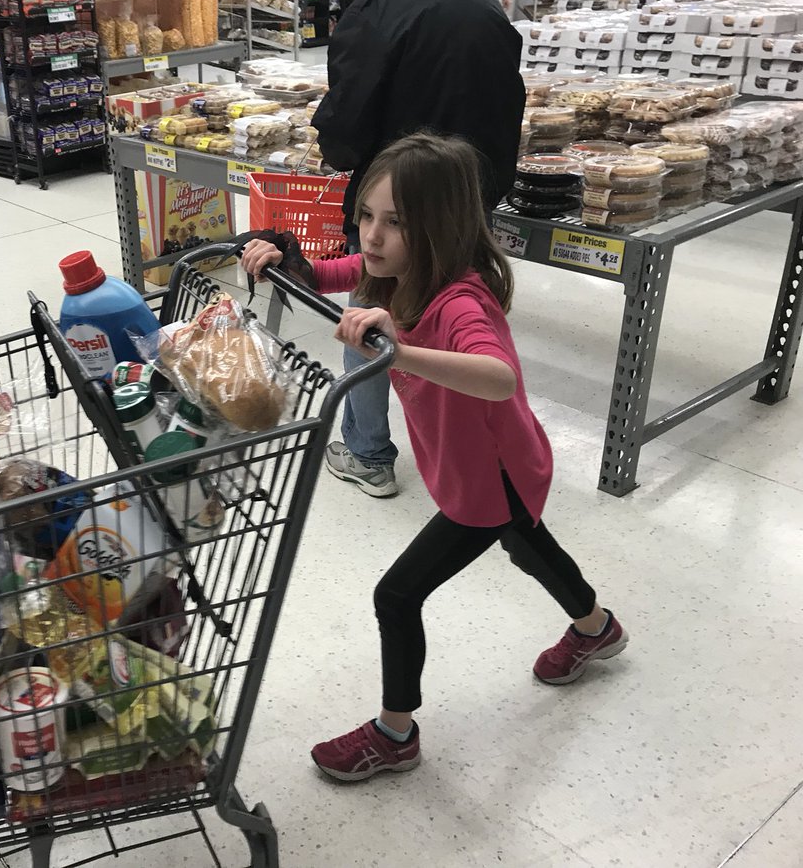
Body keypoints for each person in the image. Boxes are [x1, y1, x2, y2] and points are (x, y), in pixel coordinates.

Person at [240, 133, 628, 782]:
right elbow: (341, 273)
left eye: (395, 223)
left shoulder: (460, 302)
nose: (371, 235)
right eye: (366, 215)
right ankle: (597, 627)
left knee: (396, 594)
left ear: (440, 227)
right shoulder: (396, 274)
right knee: (528, 547)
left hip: (492, 478)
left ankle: (395, 734)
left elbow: (497, 375)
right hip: (471, 467)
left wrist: (399, 351)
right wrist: (290, 260)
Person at [312, 0, 524, 499]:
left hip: (397, 191)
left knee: (368, 323)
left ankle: (368, 454)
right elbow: (511, 102)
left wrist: (350, 176)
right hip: (464, 198)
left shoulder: (373, 8)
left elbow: (345, 130)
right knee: (444, 312)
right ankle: (473, 446)